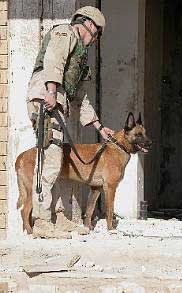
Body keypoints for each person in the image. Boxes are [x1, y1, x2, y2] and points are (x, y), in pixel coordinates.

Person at [26, 6, 114, 238]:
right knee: (50, 159)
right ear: (90, 25)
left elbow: (81, 99)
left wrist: (98, 126)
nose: (95, 40)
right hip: (46, 98)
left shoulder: (80, 56)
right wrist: (52, 92)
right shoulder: (66, 33)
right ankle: (41, 220)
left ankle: (60, 216)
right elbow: (53, 59)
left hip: (57, 101)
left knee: (61, 160)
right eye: (97, 34)